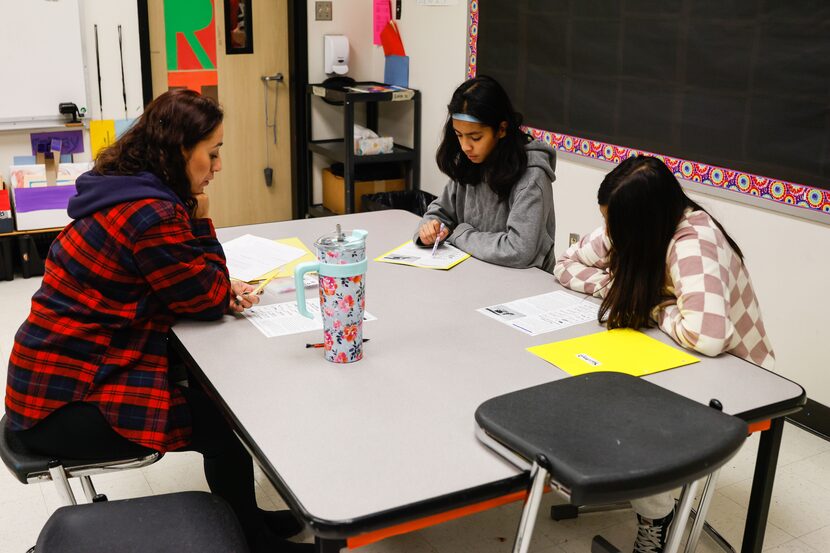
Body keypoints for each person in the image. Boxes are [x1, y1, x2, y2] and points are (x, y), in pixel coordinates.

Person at [4, 89, 310, 553]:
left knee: (211, 405)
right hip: (61, 404)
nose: (219, 165)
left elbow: (170, 280)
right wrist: (202, 221)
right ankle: (254, 541)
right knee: (219, 425)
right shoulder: (154, 214)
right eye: (213, 152)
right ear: (180, 151)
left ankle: (251, 523)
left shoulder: (124, 186)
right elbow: (205, 298)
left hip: (45, 381)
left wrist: (207, 276)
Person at [554, 155, 774, 553]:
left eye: (613, 225)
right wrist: (618, 289)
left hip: (735, 378)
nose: (607, 234)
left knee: (631, 417)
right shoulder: (631, 224)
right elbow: (565, 264)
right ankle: (639, 490)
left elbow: (707, 336)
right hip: (666, 354)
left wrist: (652, 307)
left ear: (642, 222)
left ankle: (656, 516)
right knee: (595, 391)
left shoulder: (695, 243)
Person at [414, 75, 557, 272]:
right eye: (459, 135)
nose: (465, 147)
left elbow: (519, 250)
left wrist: (459, 234)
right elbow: (441, 211)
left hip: (523, 286)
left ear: (501, 129)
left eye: (475, 137)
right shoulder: (471, 161)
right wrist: (430, 227)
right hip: (477, 272)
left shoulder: (532, 176)